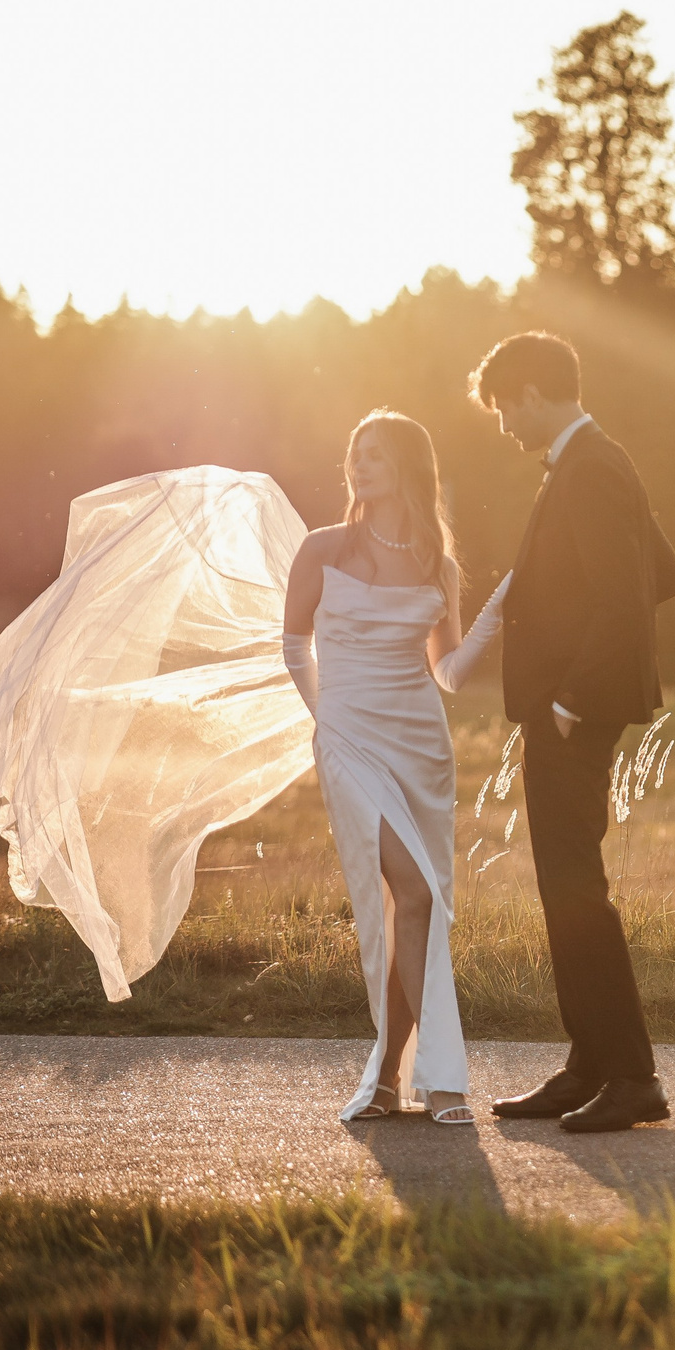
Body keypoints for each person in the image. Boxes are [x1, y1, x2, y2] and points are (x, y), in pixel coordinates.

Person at [469, 332, 675, 1132]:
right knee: (565, 885)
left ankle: (632, 1074)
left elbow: (629, 596)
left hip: (572, 716)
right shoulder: (598, 461)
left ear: (530, 392)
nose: (501, 424)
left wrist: (570, 699)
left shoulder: (591, 467)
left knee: (577, 890)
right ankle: (590, 1061)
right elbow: (661, 572)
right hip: (568, 708)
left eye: (502, 407)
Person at [281, 410, 512, 1124]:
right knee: (413, 891)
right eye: (356, 453)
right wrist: (328, 724)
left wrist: (495, 617)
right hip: (347, 736)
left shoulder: (434, 560)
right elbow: (294, 648)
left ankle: (385, 1079)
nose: (360, 464)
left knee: (418, 906)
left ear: (409, 465)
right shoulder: (320, 549)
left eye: (376, 454)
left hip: (421, 745)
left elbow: (447, 674)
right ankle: (443, 1081)